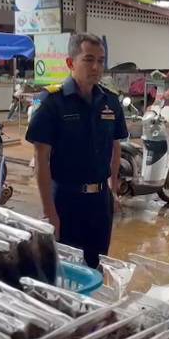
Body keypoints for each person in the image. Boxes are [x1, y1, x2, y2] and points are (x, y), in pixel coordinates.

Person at [25, 33, 127, 269]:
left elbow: (115, 147)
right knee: (64, 269)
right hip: (65, 200)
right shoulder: (52, 102)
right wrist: (49, 211)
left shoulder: (110, 101)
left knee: (96, 265)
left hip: (100, 202)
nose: (96, 67)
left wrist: (113, 190)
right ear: (71, 63)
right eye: (88, 60)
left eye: (100, 61)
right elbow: (41, 160)